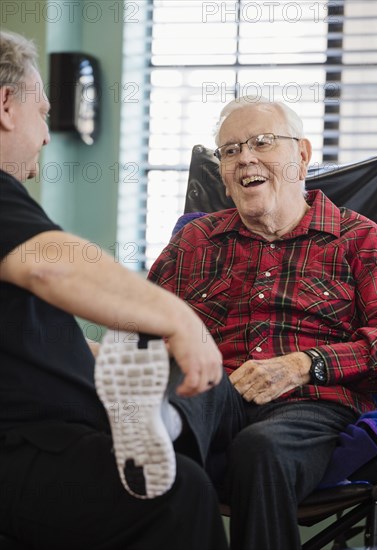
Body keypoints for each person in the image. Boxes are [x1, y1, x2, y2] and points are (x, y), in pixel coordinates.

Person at [147, 95, 377, 550]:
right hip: (213, 391)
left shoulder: (359, 239)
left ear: (302, 154)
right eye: (231, 150)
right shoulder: (195, 241)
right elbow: (144, 326)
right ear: (221, 172)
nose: (245, 158)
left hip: (311, 402)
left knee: (261, 450)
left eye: (262, 142)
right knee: (167, 417)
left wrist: (303, 364)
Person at [0, 30, 229, 550]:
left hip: (45, 426)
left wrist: (95, 356)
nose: (43, 136)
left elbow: (19, 333)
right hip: (22, 442)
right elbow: (52, 266)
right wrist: (180, 320)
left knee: (207, 407)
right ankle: (159, 420)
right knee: (175, 494)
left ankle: (158, 416)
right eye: (43, 112)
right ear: (6, 106)